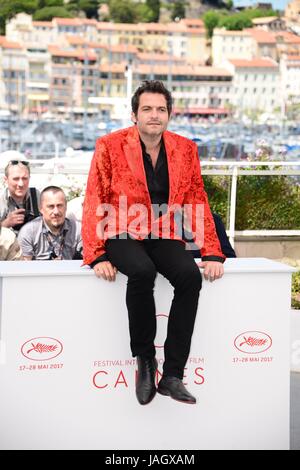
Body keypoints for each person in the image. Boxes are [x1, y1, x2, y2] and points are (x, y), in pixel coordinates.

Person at [82, 80, 225, 406]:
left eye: (161, 109)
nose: (154, 115)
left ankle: (173, 374)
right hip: (120, 229)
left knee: (189, 277)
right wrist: (95, 254)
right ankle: (145, 361)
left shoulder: (185, 148)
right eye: (147, 109)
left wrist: (212, 251)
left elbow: (195, 200)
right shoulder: (109, 145)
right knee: (142, 272)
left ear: (169, 115)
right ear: (135, 114)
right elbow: (94, 197)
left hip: (163, 231)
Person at [18, 186, 82, 260]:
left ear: (66, 207)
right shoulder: (28, 232)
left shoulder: (78, 229)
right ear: (41, 209)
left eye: (60, 206)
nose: (56, 212)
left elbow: (89, 260)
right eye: (51, 206)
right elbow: (24, 267)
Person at [0, 160, 40, 234]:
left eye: (25, 178)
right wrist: (6, 223)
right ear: (6, 180)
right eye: (16, 179)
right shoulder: (1, 199)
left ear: (29, 178)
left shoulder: (37, 196)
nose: (21, 184)